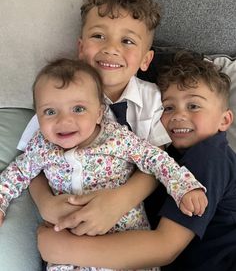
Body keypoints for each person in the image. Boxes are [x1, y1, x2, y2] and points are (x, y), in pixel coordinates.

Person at [0, 0, 166, 270]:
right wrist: (45, 204)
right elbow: (29, 162)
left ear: (145, 60)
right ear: (80, 47)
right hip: (68, 223)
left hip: (124, 223)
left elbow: (158, 162)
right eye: (98, 36)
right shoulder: (57, 94)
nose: (111, 48)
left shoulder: (151, 99)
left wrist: (119, 201)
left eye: (126, 40)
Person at [0, 57, 207, 271]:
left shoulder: (117, 138)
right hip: (69, 253)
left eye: (78, 109)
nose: (64, 121)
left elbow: (155, 159)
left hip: (121, 243)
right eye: (50, 112)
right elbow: (17, 172)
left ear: (99, 113)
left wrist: (184, 187)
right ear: (38, 116)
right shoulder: (41, 146)